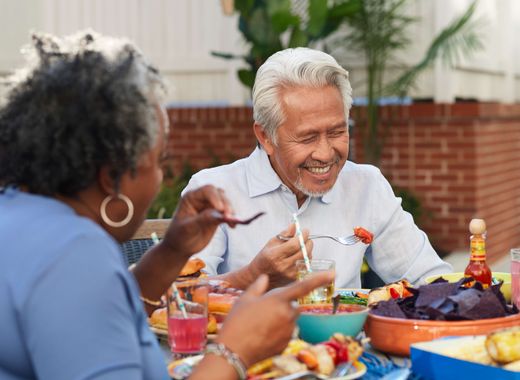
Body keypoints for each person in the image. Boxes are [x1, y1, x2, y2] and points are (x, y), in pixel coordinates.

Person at [0, 31, 334, 380]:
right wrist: (235, 350)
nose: (160, 177)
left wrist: (172, 250)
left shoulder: (19, 218)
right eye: (160, 161)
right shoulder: (74, 252)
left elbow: (90, 318)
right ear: (112, 175)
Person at [183, 47, 452, 290]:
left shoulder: (367, 185)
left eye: (337, 131)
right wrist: (251, 276)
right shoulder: (211, 192)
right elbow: (179, 298)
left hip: (347, 344)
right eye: (307, 138)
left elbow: (431, 280)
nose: (325, 154)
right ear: (266, 137)